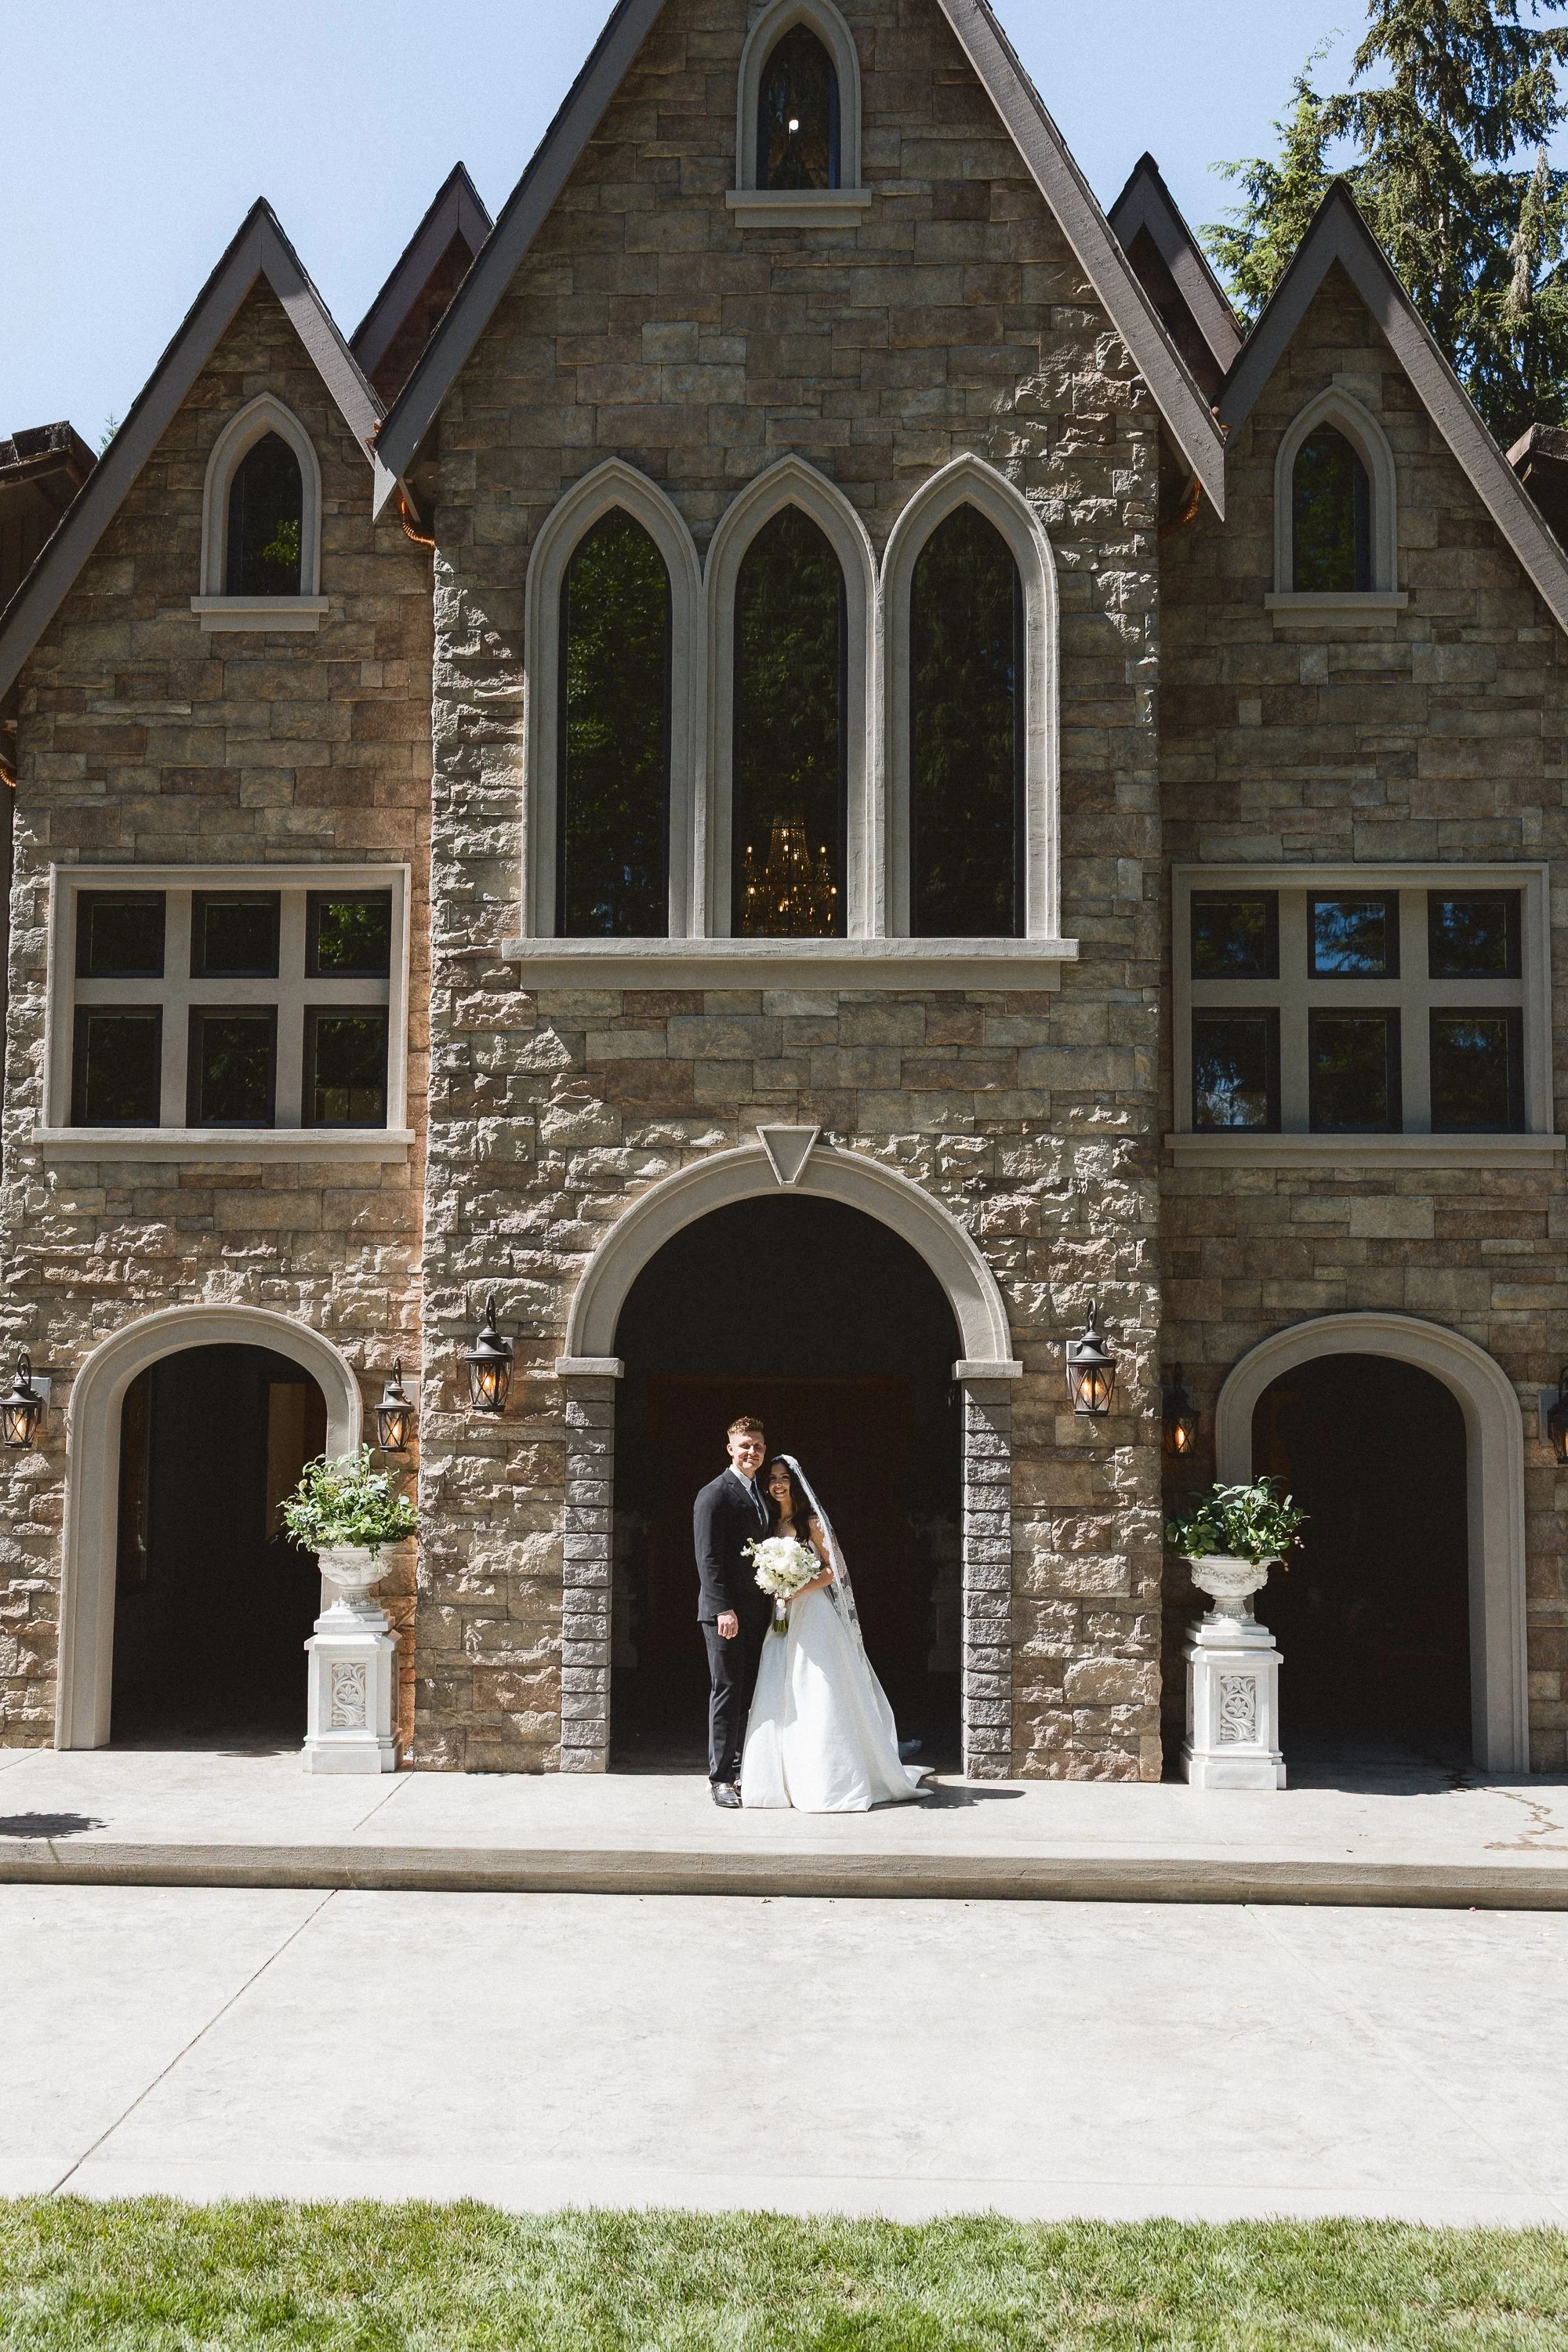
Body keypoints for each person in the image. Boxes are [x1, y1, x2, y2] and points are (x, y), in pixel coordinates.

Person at [741, 1454, 927, 1812]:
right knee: (780, 1690)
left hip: (813, 1614)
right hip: (782, 1615)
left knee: (815, 1688)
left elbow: (836, 1569)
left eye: (784, 1478)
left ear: (796, 1483)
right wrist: (776, 1584)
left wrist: (798, 1587)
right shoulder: (769, 1522)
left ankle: (829, 1777)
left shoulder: (811, 1521)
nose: (778, 1484)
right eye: (773, 1479)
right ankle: (781, 1779)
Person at [693, 1414, 775, 1808]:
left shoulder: (759, 1493)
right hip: (725, 1615)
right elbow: (708, 1559)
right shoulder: (714, 1494)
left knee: (749, 1692)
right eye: (745, 1445)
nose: (752, 1452)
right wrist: (723, 1608)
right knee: (727, 1691)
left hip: (756, 1611)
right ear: (730, 1449)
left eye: (758, 1446)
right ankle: (720, 1778)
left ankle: (743, 1767)